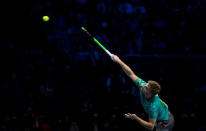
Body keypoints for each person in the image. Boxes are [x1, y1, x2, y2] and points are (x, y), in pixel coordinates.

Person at [111, 54, 174, 131]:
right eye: (146, 84)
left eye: (146, 87)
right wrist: (118, 60)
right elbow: (130, 73)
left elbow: (151, 126)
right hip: (154, 115)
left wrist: (136, 118)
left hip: (165, 122)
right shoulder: (143, 85)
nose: (143, 86)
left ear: (150, 94)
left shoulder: (153, 106)